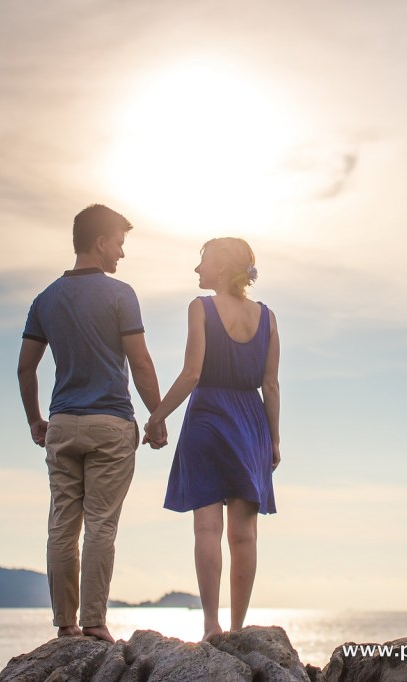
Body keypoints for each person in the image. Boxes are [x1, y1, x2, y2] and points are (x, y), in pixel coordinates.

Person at [17, 204, 167, 643]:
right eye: (119, 242)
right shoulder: (121, 295)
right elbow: (139, 361)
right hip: (110, 425)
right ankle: (95, 623)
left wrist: (34, 420)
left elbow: (26, 368)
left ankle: (66, 626)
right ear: (101, 242)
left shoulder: (45, 300)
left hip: (62, 424)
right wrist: (156, 416)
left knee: (63, 524)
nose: (121, 253)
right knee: (101, 523)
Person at [145, 237, 281, 641]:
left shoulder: (200, 308)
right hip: (250, 422)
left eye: (202, 262)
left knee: (207, 531)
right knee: (245, 534)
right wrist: (273, 440)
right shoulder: (269, 318)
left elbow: (191, 374)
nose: (197, 270)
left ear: (220, 268)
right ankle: (239, 629)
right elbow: (271, 386)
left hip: (207, 418)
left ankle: (211, 626)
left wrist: (156, 416)